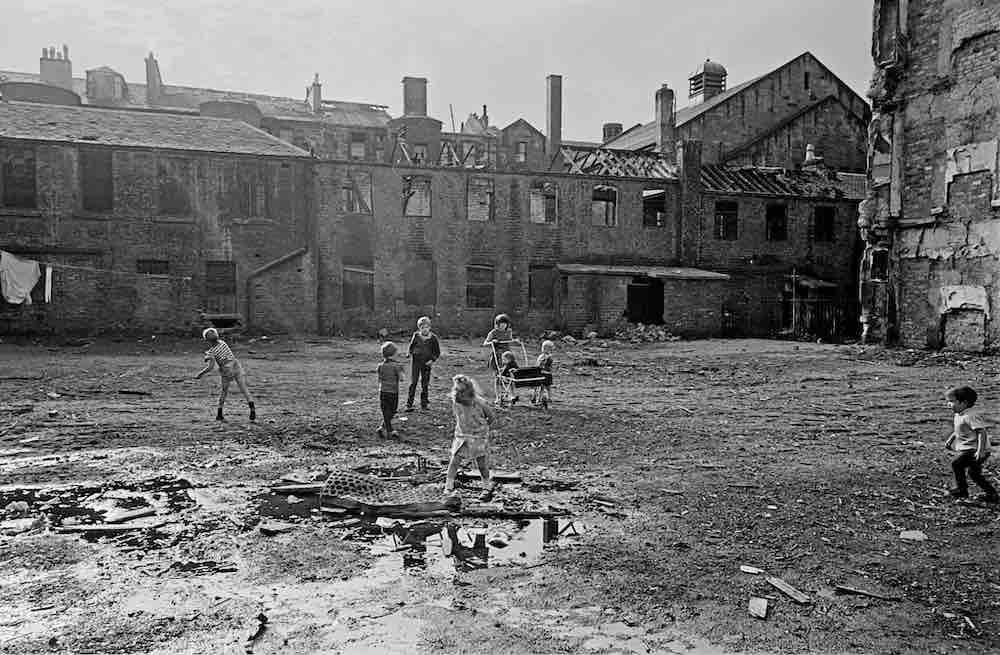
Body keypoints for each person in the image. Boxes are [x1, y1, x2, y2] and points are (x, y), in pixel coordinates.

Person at [445, 374, 498, 501]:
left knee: (481, 463)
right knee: (455, 459)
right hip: (462, 435)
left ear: (469, 392)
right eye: (457, 391)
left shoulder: (480, 402)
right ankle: (448, 486)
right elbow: (458, 416)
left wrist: (482, 430)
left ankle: (486, 486)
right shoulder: (456, 400)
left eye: (462, 392)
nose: (458, 394)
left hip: (478, 436)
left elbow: (491, 417)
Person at [944, 385, 998, 502]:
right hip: (970, 449)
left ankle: (962, 490)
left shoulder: (970, 416)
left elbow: (981, 432)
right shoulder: (959, 414)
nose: (948, 404)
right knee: (974, 474)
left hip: (974, 449)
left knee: (957, 464)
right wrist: (951, 439)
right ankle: (992, 494)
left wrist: (980, 451)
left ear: (964, 402)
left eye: (952, 401)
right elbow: (959, 429)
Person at [195, 328, 256, 422]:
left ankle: (219, 414)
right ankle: (252, 408)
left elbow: (210, 367)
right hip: (236, 366)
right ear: (217, 336)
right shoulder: (223, 343)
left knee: (224, 391)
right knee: (244, 388)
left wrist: (201, 373)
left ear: (206, 340)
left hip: (226, 370)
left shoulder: (211, 352)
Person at [406, 316, 441, 412]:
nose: (424, 329)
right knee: (413, 382)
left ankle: (424, 404)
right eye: (422, 327)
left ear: (429, 327)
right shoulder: (416, 336)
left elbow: (437, 352)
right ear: (419, 328)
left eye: (426, 327)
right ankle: (409, 404)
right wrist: (409, 353)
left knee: (425, 384)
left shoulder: (433, 338)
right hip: (416, 362)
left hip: (426, 363)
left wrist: (432, 360)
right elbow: (411, 346)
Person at [376, 341, 405, 438]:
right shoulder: (396, 366)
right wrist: (401, 370)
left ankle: (382, 427)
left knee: (385, 411)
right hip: (393, 392)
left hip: (382, 391)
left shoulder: (380, 366)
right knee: (392, 410)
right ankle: (390, 431)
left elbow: (379, 378)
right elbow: (402, 379)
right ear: (393, 354)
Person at [531, 339, 555, 408]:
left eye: (544, 347)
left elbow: (540, 366)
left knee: (544, 387)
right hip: (544, 375)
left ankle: (539, 397)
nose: (543, 349)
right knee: (545, 387)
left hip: (543, 375)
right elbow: (541, 365)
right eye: (543, 347)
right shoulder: (545, 357)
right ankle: (541, 398)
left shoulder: (544, 357)